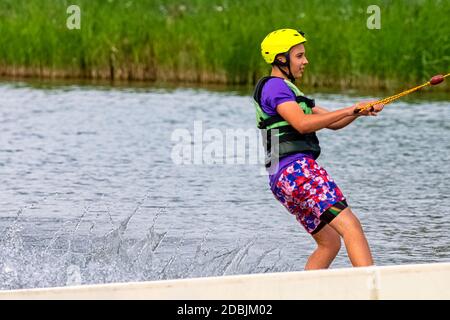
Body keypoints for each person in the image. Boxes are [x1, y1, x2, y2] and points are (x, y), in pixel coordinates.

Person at [253, 28, 384, 270]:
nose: (305, 61)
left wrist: (359, 111)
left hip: (283, 179)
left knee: (330, 243)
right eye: (299, 56)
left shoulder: (291, 93)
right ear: (281, 59)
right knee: (351, 226)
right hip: (297, 171)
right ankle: (372, 290)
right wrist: (349, 109)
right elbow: (302, 125)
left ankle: (304, 294)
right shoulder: (275, 87)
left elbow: (333, 123)